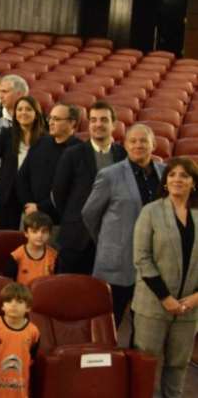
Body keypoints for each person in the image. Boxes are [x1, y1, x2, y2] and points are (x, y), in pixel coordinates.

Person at [131, 157, 198, 398]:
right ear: (165, 180)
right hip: (154, 304)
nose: (178, 180)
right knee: (147, 363)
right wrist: (166, 298)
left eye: (184, 176)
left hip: (190, 307)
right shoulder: (151, 212)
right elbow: (142, 258)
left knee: (178, 365)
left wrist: (196, 298)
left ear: (193, 182)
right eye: (173, 175)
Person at [82, 124, 165, 328]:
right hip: (116, 260)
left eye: (144, 140)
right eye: (133, 141)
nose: (138, 145)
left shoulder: (166, 174)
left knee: (145, 324)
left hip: (156, 261)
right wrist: (107, 240)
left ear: (153, 144)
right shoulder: (110, 175)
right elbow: (89, 213)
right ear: (125, 145)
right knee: (109, 322)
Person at [53, 101, 126, 274]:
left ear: (113, 124)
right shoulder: (72, 154)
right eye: (93, 120)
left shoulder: (123, 155)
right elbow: (59, 194)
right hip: (77, 237)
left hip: (113, 238)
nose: (98, 124)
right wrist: (75, 217)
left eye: (103, 120)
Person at [0, 95, 44, 229]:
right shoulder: (6, 134)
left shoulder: (45, 139)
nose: (23, 113)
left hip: (32, 195)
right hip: (6, 192)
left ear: (36, 113)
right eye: (20, 109)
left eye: (28, 109)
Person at [17, 104, 80, 224]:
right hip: (30, 215)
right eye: (50, 118)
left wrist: (40, 208)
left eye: (56, 119)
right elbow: (22, 177)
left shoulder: (79, 150)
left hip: (58, 220)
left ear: (72, 123)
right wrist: (28, 205)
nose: (51, 122)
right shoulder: (40, 142)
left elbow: (70, 189)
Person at [4, 211, 57, 285]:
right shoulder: (16, 257)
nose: (39, 235)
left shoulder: (54, 256)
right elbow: (8, 285)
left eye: (44, 232)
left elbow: (56, 283)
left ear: (50, 234)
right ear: (26, 233)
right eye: (34, 231)